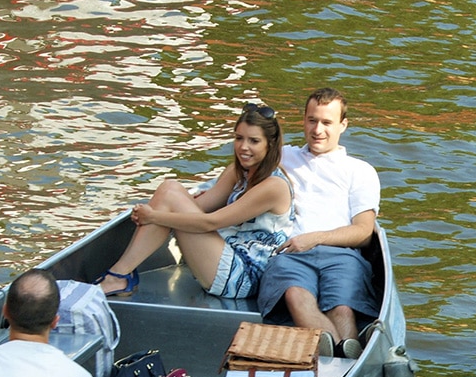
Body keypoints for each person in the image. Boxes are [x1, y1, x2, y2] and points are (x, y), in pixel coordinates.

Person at [95, 103, 294, 299]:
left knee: (170, 199)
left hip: (243, 277)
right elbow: (199, 207)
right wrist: (176, 204)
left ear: (270, 144)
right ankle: (120, 274)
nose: (243, 147)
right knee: (170, 188)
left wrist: (154, 216)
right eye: (239, 138)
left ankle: (119, 276)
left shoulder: (274, 186)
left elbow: (211, 222)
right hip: (223, 253)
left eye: (254, 141)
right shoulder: (238, 172)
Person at [255, 87, 380, 357]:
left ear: (343, 125)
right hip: (291, 252)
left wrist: (315, 238)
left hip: (342, 254)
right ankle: (342, 353)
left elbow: (363, 232)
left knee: (341, 307)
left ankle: (343, 356)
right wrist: (203, 193)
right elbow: (241, 170)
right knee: (295, 295)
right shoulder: (283, 157)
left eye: (326, 122)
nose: (317, 130)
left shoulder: (360, 171)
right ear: (303, 120)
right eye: (312, 120)